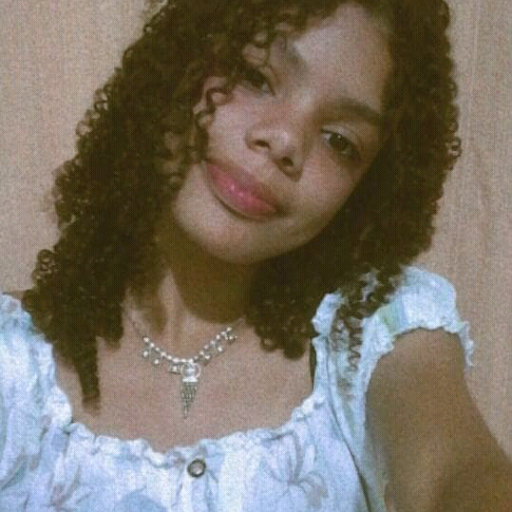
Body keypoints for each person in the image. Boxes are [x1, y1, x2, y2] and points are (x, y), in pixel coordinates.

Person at [1, 0, 511, 510]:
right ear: (179, 61)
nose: (286, 140)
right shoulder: (13, 366)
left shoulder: (369, 336)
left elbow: (455, 475)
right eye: (255, 76)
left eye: (340, 141)